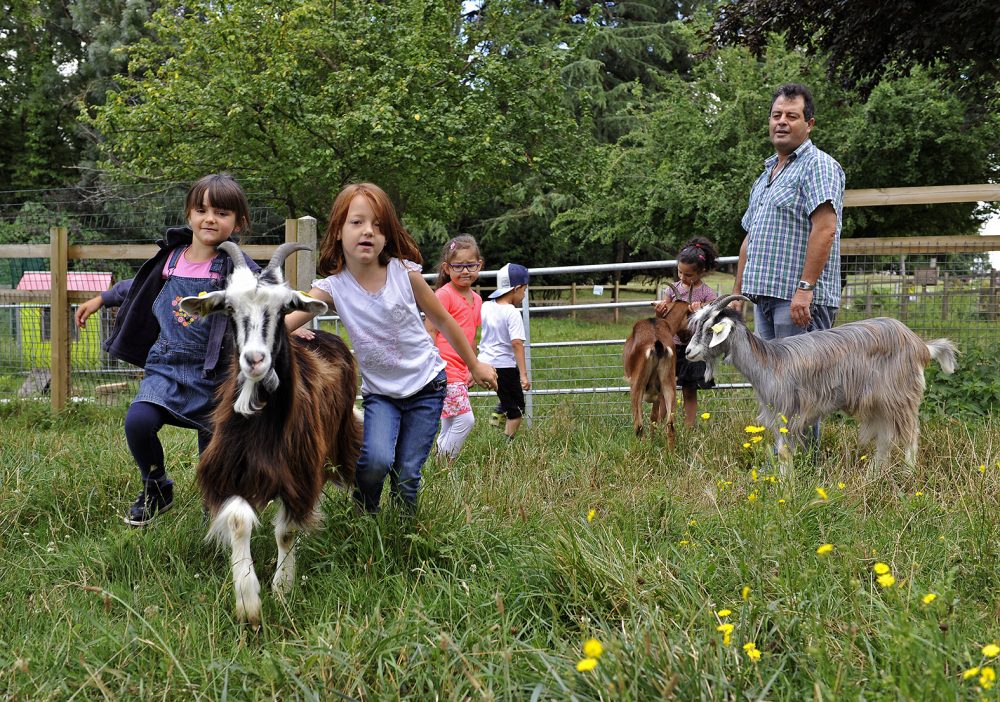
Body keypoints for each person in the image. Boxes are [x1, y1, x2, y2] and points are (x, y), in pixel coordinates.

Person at [285, 183, 497, 513]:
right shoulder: (332, 287)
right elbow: (282, 321)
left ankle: (402, 532)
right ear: (339, 231)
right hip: (381, 394)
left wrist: (475, 365)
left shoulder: (403, 274)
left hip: (427, 387)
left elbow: (444, 321)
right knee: (374, 462)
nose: (368, 231)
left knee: (407, 474)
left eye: (378, 225)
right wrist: (287, 331)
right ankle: (365, 514)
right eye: (357, 222)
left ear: (388, 234)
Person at [74, 173, 259, 526]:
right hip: (166, 367)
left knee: (214, 459)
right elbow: (136, 286)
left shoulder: (239, 268)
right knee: (138, 423)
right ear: (189, 214)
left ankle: (215, 509)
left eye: (221, 213)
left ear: (238, 223)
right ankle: (156, 485)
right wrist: (101, 298)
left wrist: (289, 330)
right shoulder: (170, 260)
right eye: (202, 209)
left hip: (215, 376)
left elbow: (267, 298)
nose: (210, 219)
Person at [733, 82, 846, 446]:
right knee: (774, 384)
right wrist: (736, 294)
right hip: (764, 298)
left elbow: (825, 228)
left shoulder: (818, 165)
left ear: (809, 124)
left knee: (801, 387)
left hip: (798, 301)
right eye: (777, 115)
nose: (782, 122)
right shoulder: (766, 175)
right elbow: (749, 237)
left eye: (791, 116)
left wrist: (805, 289)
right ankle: (784, 461)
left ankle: (802, 467)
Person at [425, 234, 484, 463]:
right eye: (458, 266)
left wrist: (473, 365)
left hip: (461, 370)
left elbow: (471, 337)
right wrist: (433, 363)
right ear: (447, 268)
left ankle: (439, 460)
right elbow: (430, 329)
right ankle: (443, 462)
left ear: (480, 265)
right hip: (445, 370)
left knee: (450, 420)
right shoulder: (443, 295)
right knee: (465, 420)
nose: (465, 271)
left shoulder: (477, 300)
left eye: (471, 265)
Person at [654, 237, 719, 428]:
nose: (683, 277)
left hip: (693, 347)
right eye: (680, 272)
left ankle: (690, 425)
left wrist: (700, 309)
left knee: (690, 388)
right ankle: (660, 422)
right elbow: (664, 313)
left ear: (702, 272)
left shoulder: (707, 293)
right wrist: (659, 311)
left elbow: (713, 311)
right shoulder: (672, 290)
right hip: (672, 345)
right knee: (665, 385)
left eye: (689, 275)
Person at [478, 263, 531, 442]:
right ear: (516, 288)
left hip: (485, 363)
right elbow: (517, 343)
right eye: (524, 291)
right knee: (516, 411)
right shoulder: (512, 312)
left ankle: (497, 418)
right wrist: (523, 374)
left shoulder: (486, 306)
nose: (524, 295)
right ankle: (505, 445)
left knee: (511, 399)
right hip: (504, 366)